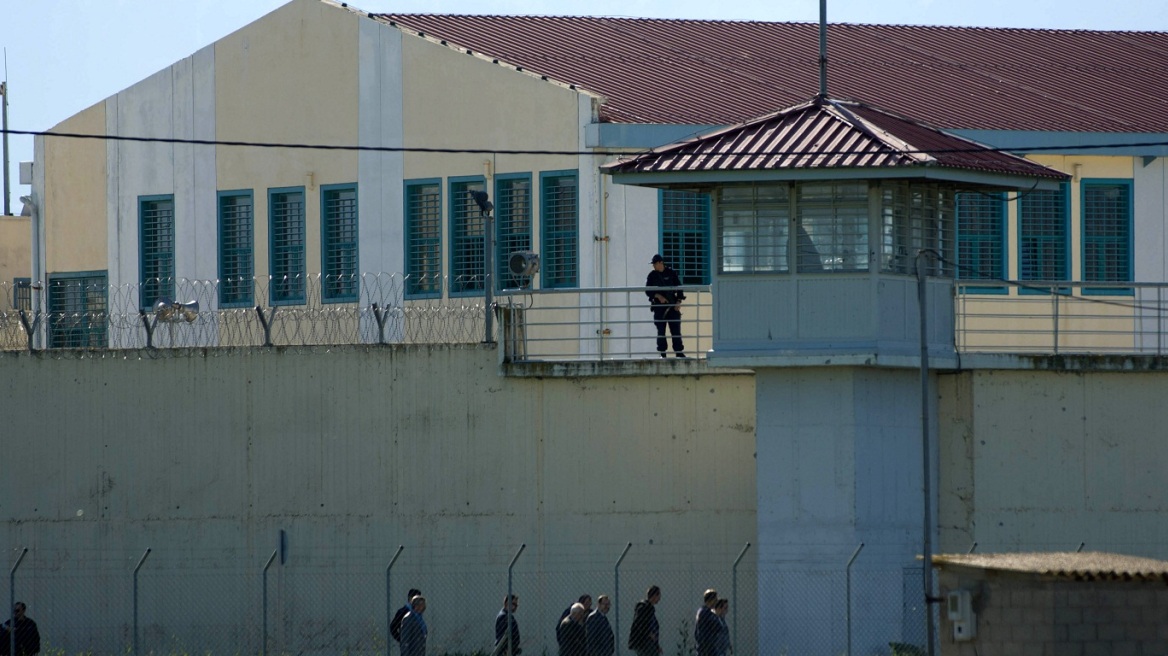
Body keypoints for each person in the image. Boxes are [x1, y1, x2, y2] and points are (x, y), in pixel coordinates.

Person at [645, 254, 686, 358]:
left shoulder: (671, 273)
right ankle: (662, 353)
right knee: (661, 331)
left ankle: (679, 352)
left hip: (672, 307)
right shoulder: (652, 275)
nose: (653, 266)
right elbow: (647, 291)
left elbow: (679, 288)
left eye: (655, 264)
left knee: (676, 330)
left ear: (660, 263)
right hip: (659, 307)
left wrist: (678, 301)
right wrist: (658, 296)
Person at [628, 585, 661, 656]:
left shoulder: (650, 609)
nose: (659, 598)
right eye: (658, 596)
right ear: (654, 596)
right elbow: (639, 624)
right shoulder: (643, 608)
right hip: (644, 643)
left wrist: (656, 646)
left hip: (649, 643)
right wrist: (649, 633)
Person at [694, 589, 719, 656]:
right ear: (711, 600)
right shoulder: (705, 613)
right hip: (706, 649)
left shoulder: (707, 612)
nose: (717, 602)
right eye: (715, 599)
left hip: (709, 648)